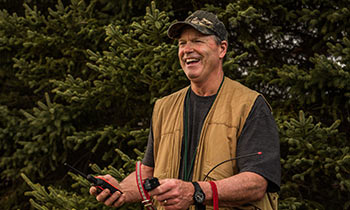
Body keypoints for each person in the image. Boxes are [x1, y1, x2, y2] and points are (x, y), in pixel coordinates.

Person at [90, 10, 281, 210]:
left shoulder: (249, 104)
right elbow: (149, 173)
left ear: (221, 49)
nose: (187, 49)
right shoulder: (164, 107)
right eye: (182, 43)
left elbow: (257, 182)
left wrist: (195, 192)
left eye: (197, 41)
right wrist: (120, 190)